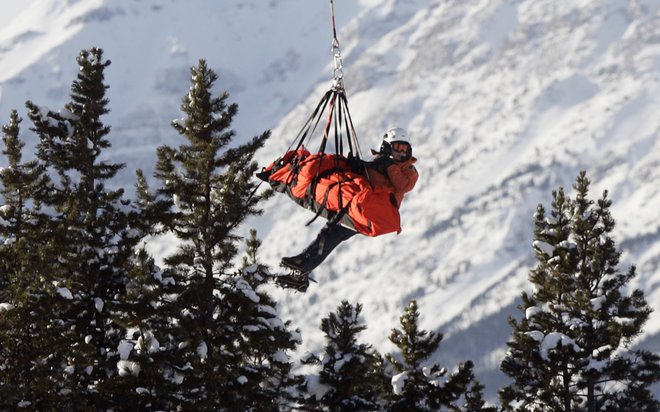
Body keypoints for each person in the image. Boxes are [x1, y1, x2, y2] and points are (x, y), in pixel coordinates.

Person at [279, 127, 419, 291]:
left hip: (375, 214)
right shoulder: (379, 164)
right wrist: (358, 166)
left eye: (404, 150)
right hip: (361, 209)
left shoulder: (409, 170)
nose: (401, 154)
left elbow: (403, 185)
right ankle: (301, 269)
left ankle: (303, 265)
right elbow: (367, 180)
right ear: (387, 147)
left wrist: (389, 165)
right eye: (398, 148)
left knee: (332, 233)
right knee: (330, 232)